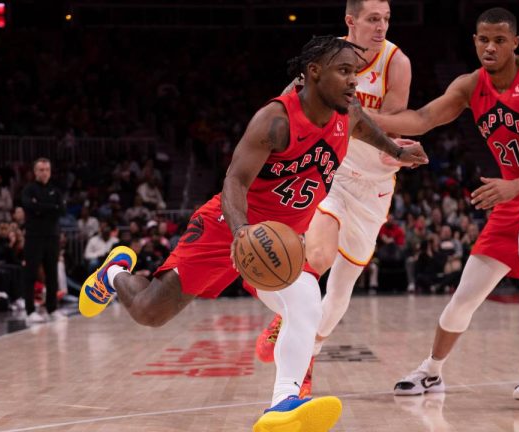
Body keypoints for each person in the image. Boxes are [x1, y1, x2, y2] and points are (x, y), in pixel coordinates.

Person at [77, 36, 427, 432]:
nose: (354, 82)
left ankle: (283, 402)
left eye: (356, 73)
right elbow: (234, 181)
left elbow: (365, 127)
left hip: (277, 240)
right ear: (314, 72)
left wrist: (397, 152)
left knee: (307, 302)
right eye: (344, 72)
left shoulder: (348, 111)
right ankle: (114, 273)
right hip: (228, 227)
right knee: (150, 312)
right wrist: (242, 233)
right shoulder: (275, 120)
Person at [371, 7, 519, 403]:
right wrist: (362, 117)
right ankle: (432, 371)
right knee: (465, 298)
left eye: (499, 40)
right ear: (474, 41)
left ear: (515, 43)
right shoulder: (468, 86)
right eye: (483, 40)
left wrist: (517, 186)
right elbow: (422, 119)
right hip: (515, 193)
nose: (490, 47)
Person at [255, 0, 414, 394]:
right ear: (351, 21)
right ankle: (296, 353)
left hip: (375, 185)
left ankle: (308, 348)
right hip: (334, 172)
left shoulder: (397, 61)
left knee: (341, 293)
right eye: (373, 19)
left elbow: (388, 119)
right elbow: (286, 103)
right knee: (319, 257)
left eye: (386, 19)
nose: (381, 27)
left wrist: (393, 145)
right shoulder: (327, 56)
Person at [21, 158, 67, 324]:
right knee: (31, 273)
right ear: (35, 172)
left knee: (52, 273)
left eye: (47, 169)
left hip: (52, 237)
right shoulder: (29, 189)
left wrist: (41, 207)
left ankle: (52, 308)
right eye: (41, 170)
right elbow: (29, 206)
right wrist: (50, 207)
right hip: (34, 237)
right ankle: (30, 310)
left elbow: (61, 210)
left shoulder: (56, 190)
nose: (44, 172)